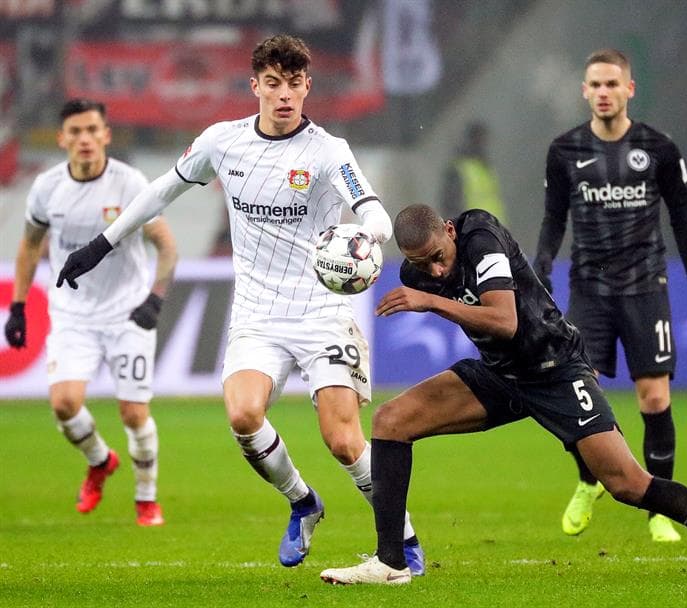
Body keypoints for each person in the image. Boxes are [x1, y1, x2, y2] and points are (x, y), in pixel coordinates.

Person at [54, 35, 425, 573]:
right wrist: (100, 245)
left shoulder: (327, 151)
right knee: (243, 414)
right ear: (254, 86)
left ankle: (405, 541)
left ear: (307, 88)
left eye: (294, 84)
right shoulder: (222, 143)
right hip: (256, 314)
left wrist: (366, 238)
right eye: (273, 84)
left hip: (320, 311)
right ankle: (303, 502)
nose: (284, 96)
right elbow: (160, 192)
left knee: (343, 441)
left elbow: (373, 211)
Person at [318, 204, 687, 585]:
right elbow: (464, 313)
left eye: (438, 256)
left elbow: (505, 321)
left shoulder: (481, 238)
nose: (435, 270)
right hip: (501, 376)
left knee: (626, 484)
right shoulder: (421, 273)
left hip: (556, 370)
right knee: (390, 422)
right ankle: (391, 562)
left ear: (448, 230)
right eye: (422, 265)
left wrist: (430, 301)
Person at [532, 49, 687, 542]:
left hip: (645, 286)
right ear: (584, 91)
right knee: (578, 396)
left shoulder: (658, 148)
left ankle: (660, 510)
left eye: (612, 84)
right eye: (595, 85)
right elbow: (555, 218)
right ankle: (588, 479)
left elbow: (683, 221)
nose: (603, 93)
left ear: (629, 89)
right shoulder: (564, 150)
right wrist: (542, 265)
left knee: (654, 397)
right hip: (589, 289)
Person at [3, 98, 177, 526]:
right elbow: (29, 245)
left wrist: (155, 298)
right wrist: (19, 305)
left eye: (92, 130)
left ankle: (146, 499)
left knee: (134, 414)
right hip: (73, 315)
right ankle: (100, 460)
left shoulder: (130, 182)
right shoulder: (47, 187)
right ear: (62, 138)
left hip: (127, 313)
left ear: (106, 135)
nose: (84, 139)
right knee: (64, 404)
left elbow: (166, 246)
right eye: (75, 132)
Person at [440, 122, 507, 223]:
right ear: (471, 140)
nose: (483, 144)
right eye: (480, 139)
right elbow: (451, 205)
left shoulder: (485, 166)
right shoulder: (460, 167)